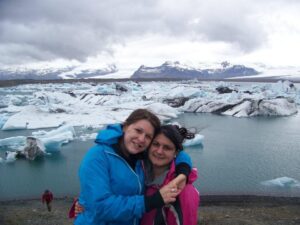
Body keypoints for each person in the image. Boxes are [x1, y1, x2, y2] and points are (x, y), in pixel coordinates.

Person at [74, 109, 192, 225]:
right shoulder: (98, 156)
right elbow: (99, 206)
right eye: (138, 130)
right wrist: (151, 201)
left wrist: (183, 172)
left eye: (148, 136)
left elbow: (178, 152)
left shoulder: (139, 156)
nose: (141, 139)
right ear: (125, 127)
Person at [141, 125, 200, 225]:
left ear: (176, 153)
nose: (159, 151)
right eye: (156, 144)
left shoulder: (182, 191)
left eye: (167, 148)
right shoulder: (137, 169)